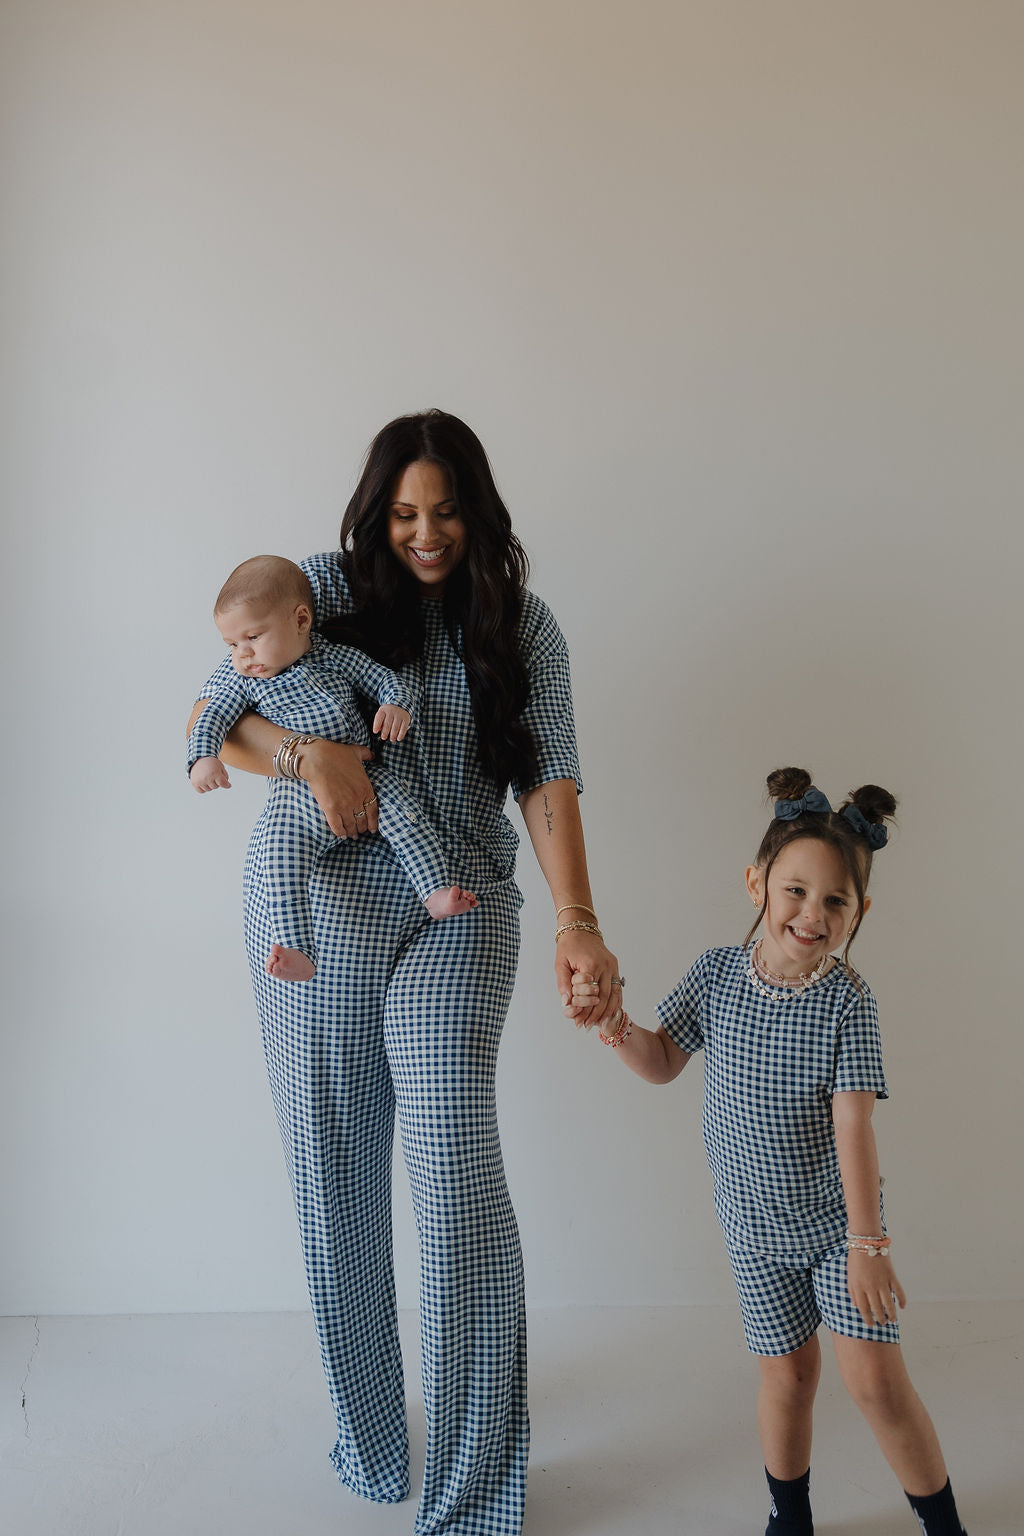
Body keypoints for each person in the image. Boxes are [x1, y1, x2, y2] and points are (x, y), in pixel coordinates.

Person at [187, 411, 619, 1536]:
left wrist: (578, 920)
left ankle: (473, 1497)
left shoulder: (524, 627)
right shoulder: (316, 589)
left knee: (450, 1168)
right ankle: (372, 1435)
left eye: (445, 510)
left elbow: (550, 785)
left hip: (456, 902)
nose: (425, 533)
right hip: (319, 901)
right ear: (378, 515)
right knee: (335, 1171)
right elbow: (208, 715)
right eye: (404, 513)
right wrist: (305, 754)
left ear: (479, 509)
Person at [568, 768, 967, 1536]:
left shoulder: (849, 1001)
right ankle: (790, 1519)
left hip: (836, 1230)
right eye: (795, 891)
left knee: (875, 1382)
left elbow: (855, 1127)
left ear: (860, 911)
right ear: (757, 883)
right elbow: (661, 1062)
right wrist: (612, 1023)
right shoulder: (717, 977)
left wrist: (867, 1243)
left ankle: (943, 1523)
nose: (812, 914)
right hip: (752, 1230)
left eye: (835, 900)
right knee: (787, 1375)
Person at [188, 553, 476, 981]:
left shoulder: (336, 657)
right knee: (280, 859)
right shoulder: (245, 680)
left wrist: (396, 704)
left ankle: (433, 890)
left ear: (301, 620)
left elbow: (386, 679)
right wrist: (203, 757)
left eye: (252, 637)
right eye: (231, 645)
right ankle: (298, 948)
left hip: (364, 777)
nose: (243, 655)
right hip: (295, 799)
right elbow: (210, 717)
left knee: (406, 816)